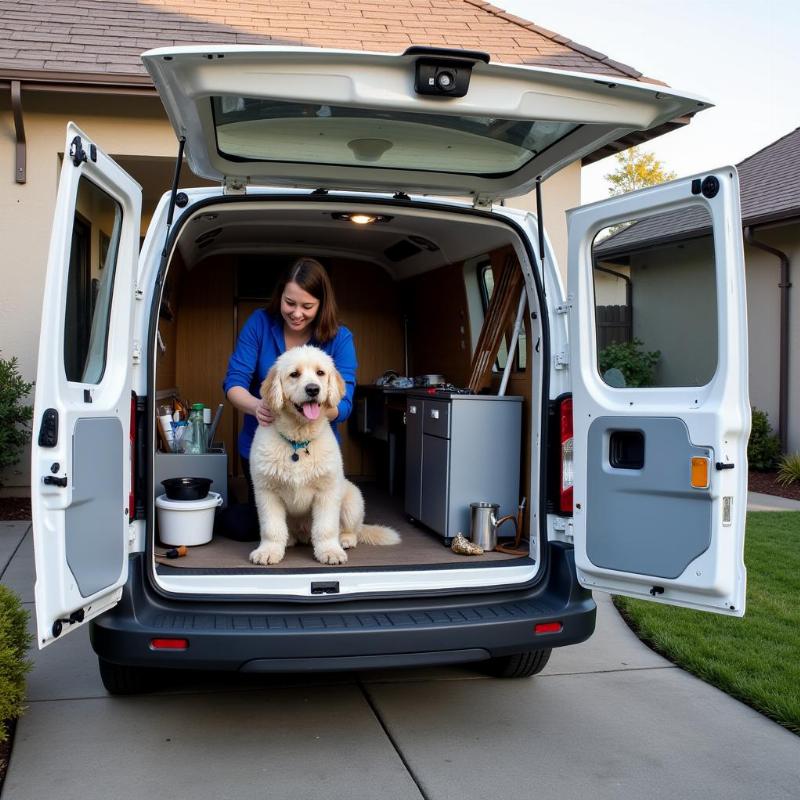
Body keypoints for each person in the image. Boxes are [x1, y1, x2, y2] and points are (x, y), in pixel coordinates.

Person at [219, 257, 357, 540]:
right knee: (248, 526)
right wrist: (257, 405)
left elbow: (345, 403)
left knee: (326, 502)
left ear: (321, 304)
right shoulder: (259, 323)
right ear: (279, 297)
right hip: (267, 446)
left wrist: (314, 414)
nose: (296, 313)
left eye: (307, 306)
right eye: (289, 303)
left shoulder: (340, 338)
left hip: (316, 447)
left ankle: (321, 535)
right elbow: (234, 382)